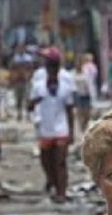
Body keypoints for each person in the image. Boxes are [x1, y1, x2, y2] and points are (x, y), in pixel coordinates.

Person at [29, 46, 77, 205]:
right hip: (45, 128)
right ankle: (52, 181)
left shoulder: (65, 84)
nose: (51, 70)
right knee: (46, 161)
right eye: (49, 66)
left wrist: (71, 131)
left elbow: (70, 109)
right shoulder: (39, 85)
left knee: (60, 161)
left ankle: (61, 192)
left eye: (54, 66)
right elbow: (29, 105)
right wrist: (35, 102)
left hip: (61, 127)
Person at [9, 44, 35, 122]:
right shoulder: (15, 58)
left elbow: (31, 68)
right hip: (18, 81)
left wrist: (29, 76)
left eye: (22, 48)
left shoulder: (28, 58)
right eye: (19, 48)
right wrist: (13, 78)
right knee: (18, 98)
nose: (20, 49)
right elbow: (12, 69)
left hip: (26, 81)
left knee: (27, 98)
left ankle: (28, 115)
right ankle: (19, 114)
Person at [75, 52, 99, 135]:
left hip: (87, 95)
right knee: (80, 115)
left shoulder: (86, 70)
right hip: (79, 96)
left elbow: (91, 81)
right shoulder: (74, 73)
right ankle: (82, 131)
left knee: (87, 115)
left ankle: (84, 129)